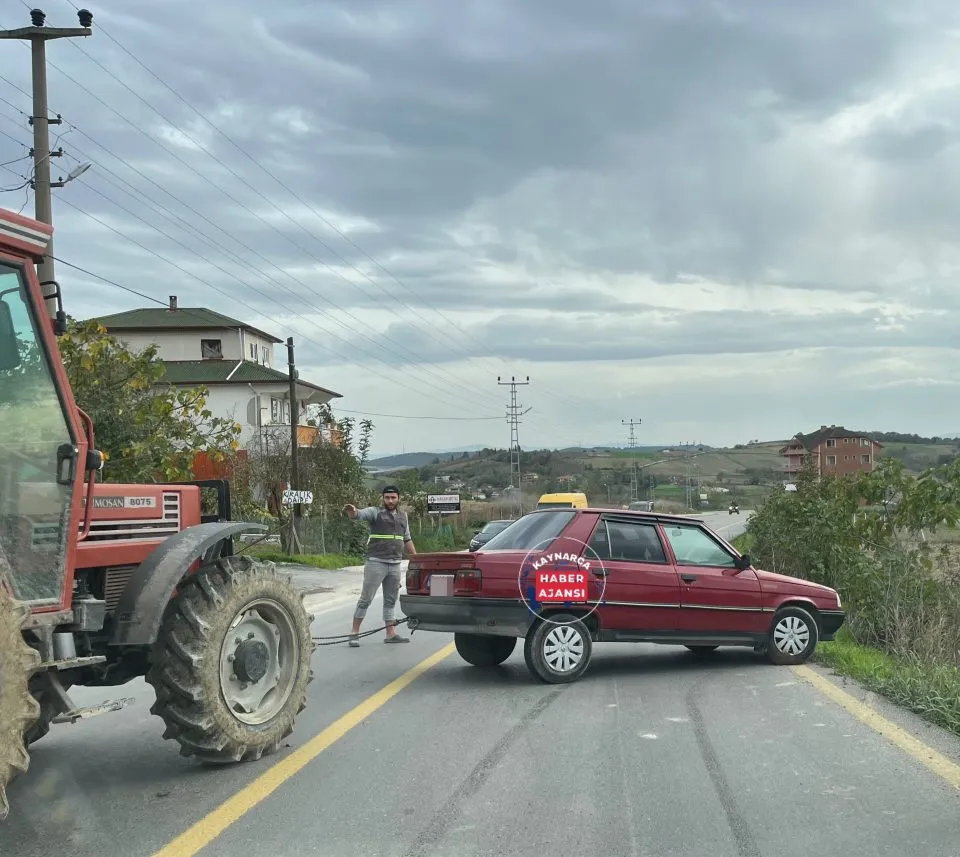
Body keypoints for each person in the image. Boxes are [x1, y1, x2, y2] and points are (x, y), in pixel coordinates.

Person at [342, 485, 417, 646]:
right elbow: (359, 514)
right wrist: (353, 511)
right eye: (387, 498)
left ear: (398, 498)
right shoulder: (375, 512)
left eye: (393, 497)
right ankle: (354, 633)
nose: (390, 500)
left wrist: (417, 559)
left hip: (395, 564)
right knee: (366, 599)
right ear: (383, 498)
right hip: (376, 563)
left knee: (390, 600)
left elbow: (407, 539)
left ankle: (390, 634)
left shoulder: (403, 516)